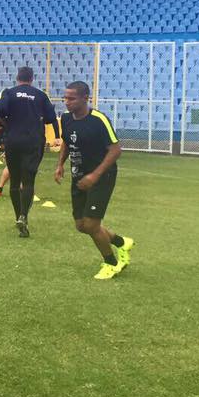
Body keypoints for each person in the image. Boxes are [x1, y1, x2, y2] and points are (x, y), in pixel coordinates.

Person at [55, 81, 134, 280]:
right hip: (79, 177)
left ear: (85, 98)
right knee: (81, 225)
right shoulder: (65, 118)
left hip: (102, 176)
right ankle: (121, 242)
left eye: (71, 98)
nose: (67, 102)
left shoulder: (98, 119)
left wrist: (94, 176)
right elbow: (66, 141)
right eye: (65, 98)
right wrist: (60, 165)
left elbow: (115, 150)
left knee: (91, 224)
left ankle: (111, 263)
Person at [0, 66, 60, 237]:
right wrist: (58, 136)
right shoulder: (40, 95)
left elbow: (0, 110)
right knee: (28, 180)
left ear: (17, 78)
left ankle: (18, 216)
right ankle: (24, 215)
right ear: (32, 79)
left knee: (14, 181)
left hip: (13, 140)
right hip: (33, 141)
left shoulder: (8, 92)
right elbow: (51, 118)